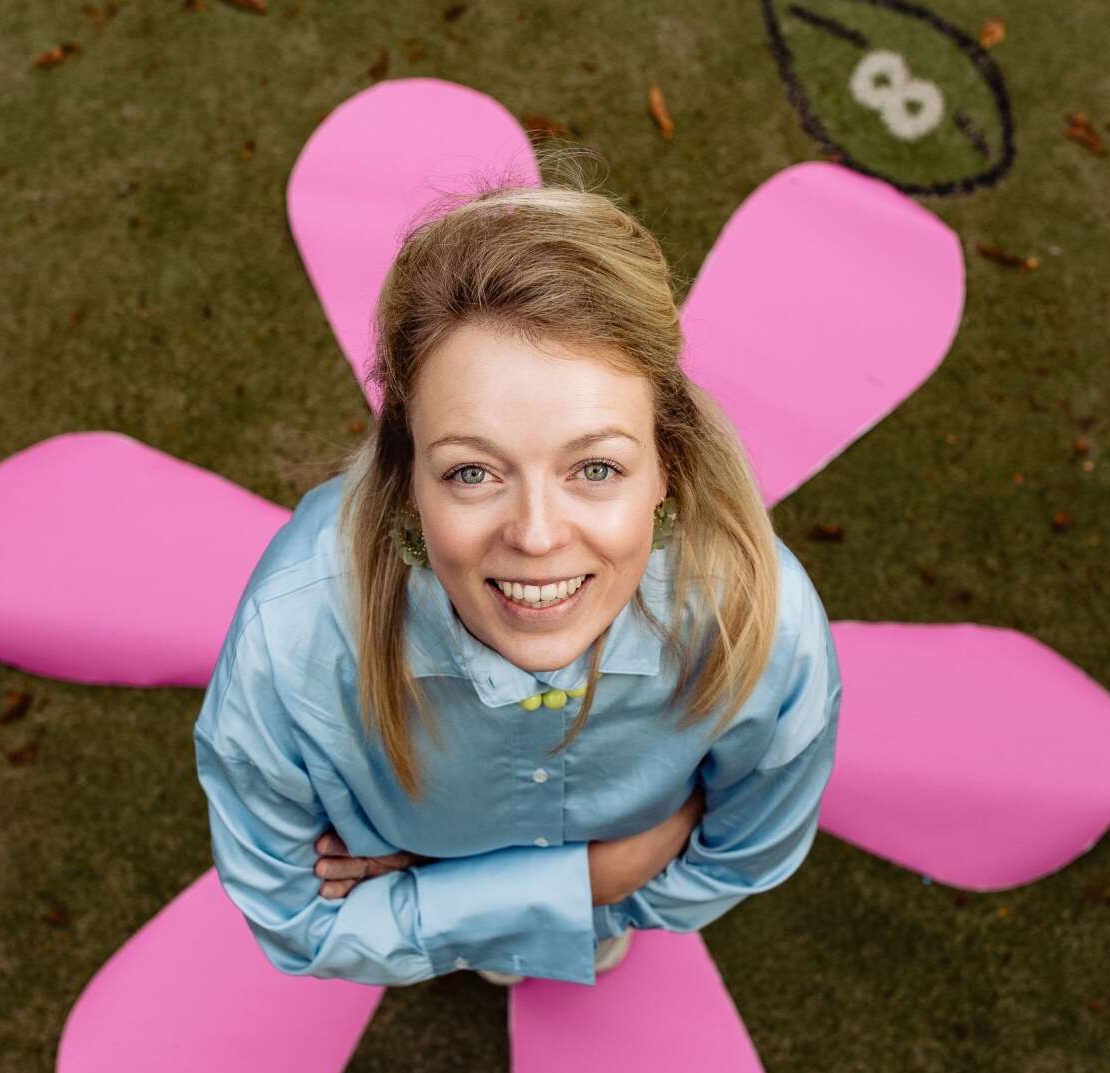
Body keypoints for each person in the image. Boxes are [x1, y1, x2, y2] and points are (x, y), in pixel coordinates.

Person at [192, 161, 842, 988]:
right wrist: (591, 881)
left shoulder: (763, 621)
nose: (536, 537)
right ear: (406, 477)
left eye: (596, 468)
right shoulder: (291, 642)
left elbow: (744, 856)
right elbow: (296, 924)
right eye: (473, 472)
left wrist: (439, 901)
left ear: (668, 465)